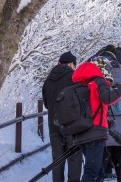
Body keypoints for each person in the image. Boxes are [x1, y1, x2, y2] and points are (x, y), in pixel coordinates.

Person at [71, 61, 121, 182]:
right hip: (94, 133)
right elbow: (108, 98)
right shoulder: (98, 81)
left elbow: (92, 107)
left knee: (98, 171)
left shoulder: (82, 82)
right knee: (92, 172)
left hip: (82, 130)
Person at [42, 51, 82, 182]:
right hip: (72, 126)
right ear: (71, 64)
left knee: (57, 160)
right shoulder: (75, 77)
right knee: (74, 159)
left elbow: (47, 104)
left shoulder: (48, 80)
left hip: (54, 126)